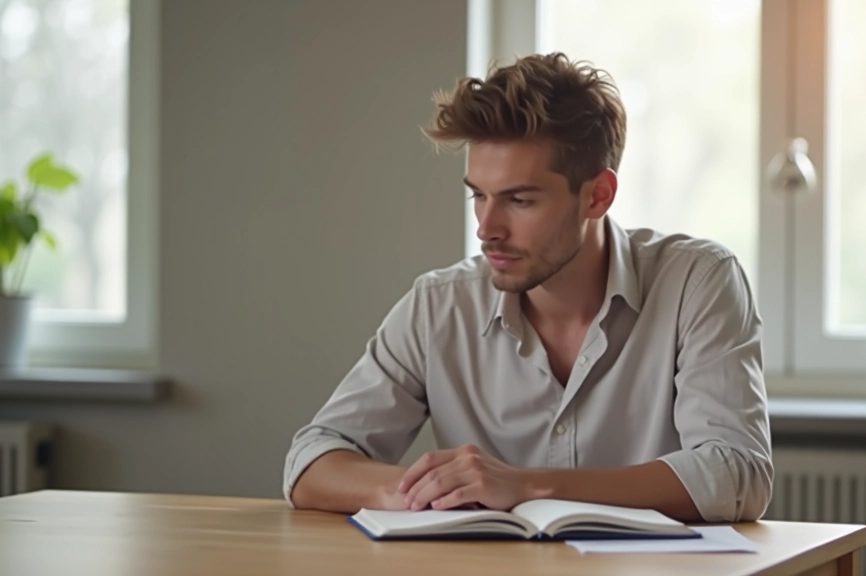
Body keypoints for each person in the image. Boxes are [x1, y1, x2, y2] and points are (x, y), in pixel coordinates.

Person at [283, 53, 772, 522]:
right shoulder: (438, 306)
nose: (486, 228)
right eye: (479, 196)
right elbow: (312, 462)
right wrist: (427, 492)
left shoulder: (698, 282)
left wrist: (529, 487)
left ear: (597, 195)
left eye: (519, 200)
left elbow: (737, 473)